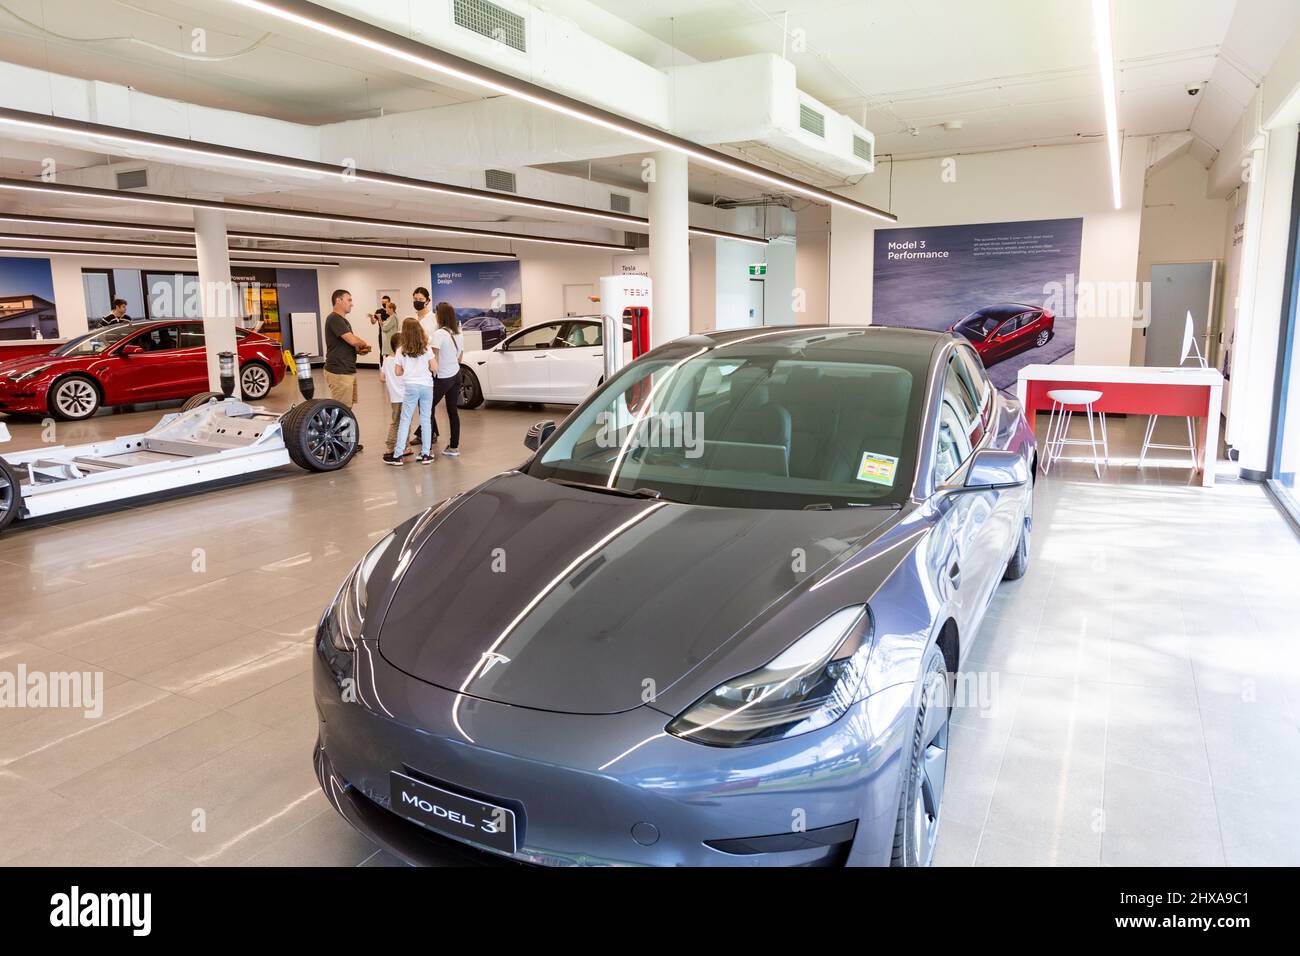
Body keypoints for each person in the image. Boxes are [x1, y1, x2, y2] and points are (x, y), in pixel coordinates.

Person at [323, 289, 372, 452]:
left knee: (346, 408)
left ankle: (346, 442)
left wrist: (358, 350)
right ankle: (336, 445)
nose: (352, 303)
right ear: (338, 300)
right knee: (339, 409)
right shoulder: (334, 319)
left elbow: (345, 344)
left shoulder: (342, 320)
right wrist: (362, 343)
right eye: (349, 300)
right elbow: (351, 339)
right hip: (339, 372)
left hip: (347, 370)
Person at [391, 318, 437, 465]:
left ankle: (398, 455)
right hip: (426, 387)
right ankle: (425, 454)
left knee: (405, 420)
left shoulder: (400, 350)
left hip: (410, 387)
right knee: (425, 419)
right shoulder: (426, 348)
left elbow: (397, 372)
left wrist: (407, 369)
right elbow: (434, 367)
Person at [429, 301, 465, 457]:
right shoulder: (458, 332)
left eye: (436, 312)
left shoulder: (439, 334)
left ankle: (427, 447)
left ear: (440, 315)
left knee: (426, 408)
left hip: (443, 378)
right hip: (456, 375)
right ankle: (454, 447)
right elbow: (460, 356)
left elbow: (432, 359)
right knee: (452, 411)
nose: (435, 315)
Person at [380, 332, 417, 464]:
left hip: (394, 398)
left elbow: (382, 378)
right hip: (406, 396)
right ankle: (402, 446)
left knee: (395, 422)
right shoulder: (403, 360)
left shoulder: (386, 359)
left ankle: (390, 447)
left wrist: (392, 381)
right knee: (405, 422)